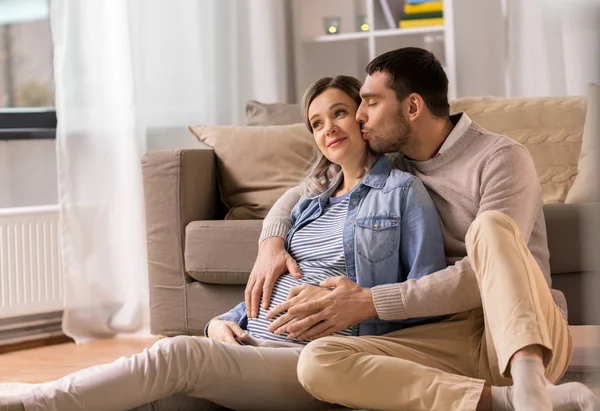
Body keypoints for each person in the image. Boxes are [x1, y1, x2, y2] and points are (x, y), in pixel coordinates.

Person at [0, 75, 446, 411]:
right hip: (247, 342)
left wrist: (363, 310)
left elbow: (424, 295)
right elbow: (270, 288)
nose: (328, 127)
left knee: (175, 354)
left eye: (339, 113)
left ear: (363, 119)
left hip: (315, 358)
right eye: (316, 123)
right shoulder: (310, 205)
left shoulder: (402, 193)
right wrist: (219, 323)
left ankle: (32, 402)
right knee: (155, 400)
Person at [246, 48, 600, 411]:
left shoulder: (501, 158)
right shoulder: (393, 166)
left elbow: (482, 277)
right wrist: (270, 243)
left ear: (412, 107)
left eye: (370, 102)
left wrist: (368, 302)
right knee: (318, 361)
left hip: (524, 331)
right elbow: (301, 191)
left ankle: (530, 385)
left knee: (490, 229)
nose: (360, 115)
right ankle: (502, 400)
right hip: (447, 333)